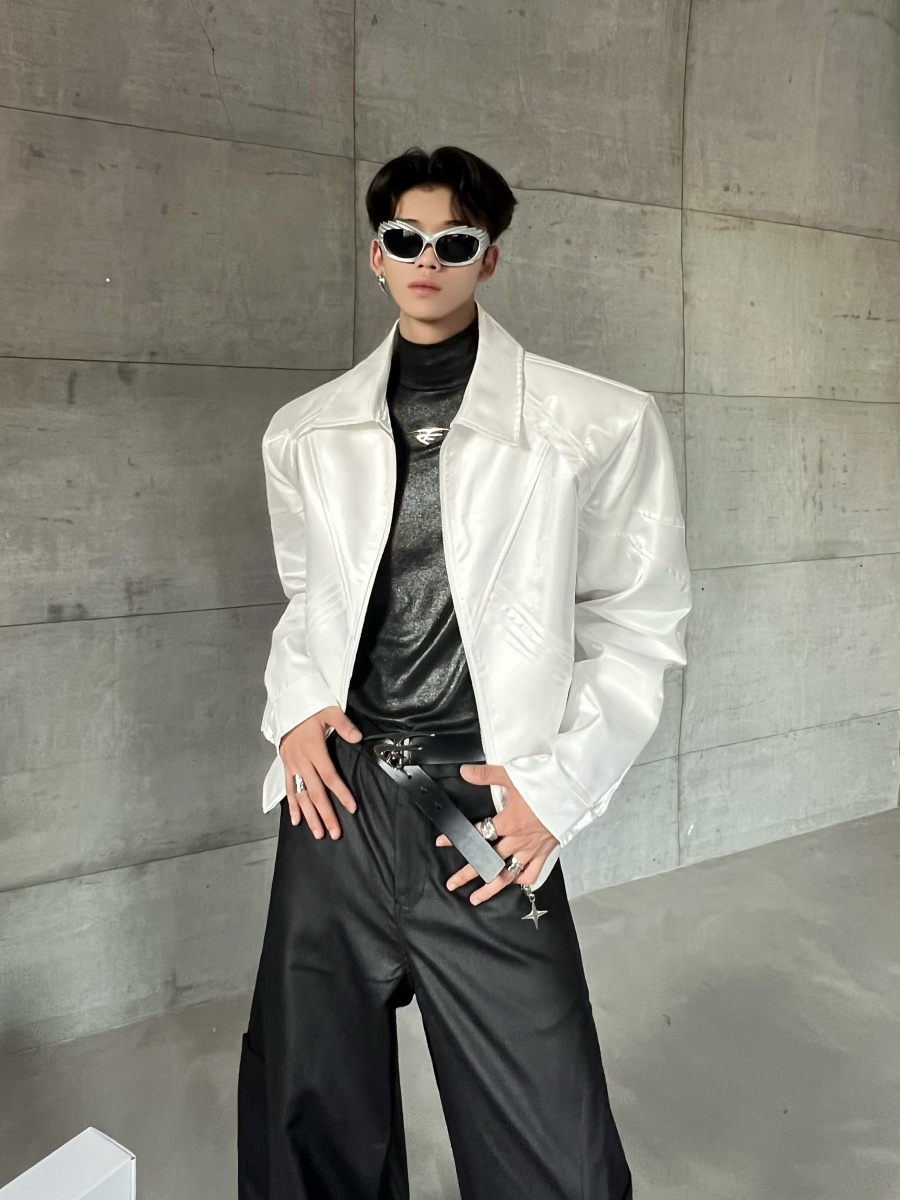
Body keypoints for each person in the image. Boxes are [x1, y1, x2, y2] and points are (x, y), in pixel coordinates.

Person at [237, 144, 692, 1200]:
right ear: (376, 256)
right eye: (406, 240)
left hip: (481, 805)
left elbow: (639, 621)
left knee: (552, 1144)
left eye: (454, 242)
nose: (427, 261)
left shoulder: (599, 423)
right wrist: (294, 710)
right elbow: (309, 600)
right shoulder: (304, 432)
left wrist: (558, 791)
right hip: (337, 801)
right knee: (309, 1107)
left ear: (489, 257)